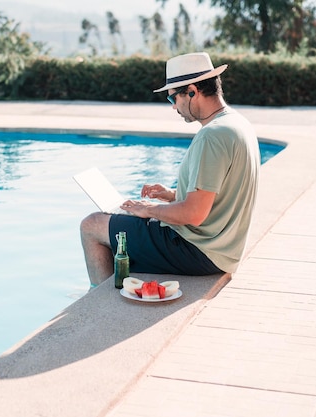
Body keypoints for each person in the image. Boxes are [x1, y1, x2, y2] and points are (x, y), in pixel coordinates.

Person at [80, 52, 260, 287]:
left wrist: (150, 210)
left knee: (92, 226)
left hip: (199, 250)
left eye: (173, 98)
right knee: (123, 222)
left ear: (193, 91)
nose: (174, 107)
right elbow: (220, 194)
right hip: (221, 249)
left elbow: (194, 214)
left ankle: (100, 303)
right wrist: (173, 194)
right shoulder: (237, 124)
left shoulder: (212, 136)